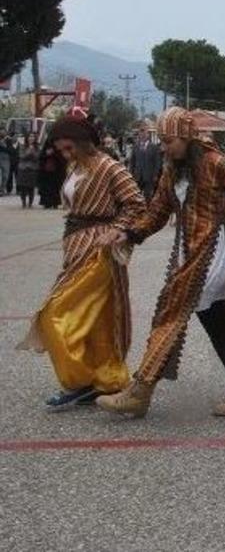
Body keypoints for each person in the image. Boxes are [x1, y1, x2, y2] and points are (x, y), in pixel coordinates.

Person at [96, 107, 225, 419]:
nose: (164, 147)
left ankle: (140, 391)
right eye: (161, 141)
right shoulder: (171, 169)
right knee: (212, 319)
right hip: (188, 253)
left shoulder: (215, 163)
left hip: (214, 253)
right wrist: (128, 233)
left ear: (186, 137)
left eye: (169, 141)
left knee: (171, 313)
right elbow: (157, 212)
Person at [17, 113, 146, 409]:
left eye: (69, 148)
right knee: (97, 320)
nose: (65, 154)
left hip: (99, 253)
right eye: (61, 149)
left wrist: (116, 230)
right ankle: (105, 381)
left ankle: (79, 380)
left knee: (54, 314)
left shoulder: (110, 167)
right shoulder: (74, 166)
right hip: (76, 247)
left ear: (83, 141)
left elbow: (137, 205)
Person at [128, 126, 162, 201]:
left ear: (148, 134)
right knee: (137, 197)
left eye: (144, 133)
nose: (142, 135)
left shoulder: (154, 147)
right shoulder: (135, 147)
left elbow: (157, 162)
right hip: (137, 176)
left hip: (149, 177)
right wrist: (131, 174)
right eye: (141, 133)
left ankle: (148, 207)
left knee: (148, 197)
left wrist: (156, 175)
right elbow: (132, 162)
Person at [37, 141, 65, 209]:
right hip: (45, 172)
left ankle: (55, 203)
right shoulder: (44, 150)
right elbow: (40, 158)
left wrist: (54, 154)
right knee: (46, 188)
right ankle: (46, 203)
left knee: (55, 189)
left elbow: (61, 159)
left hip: (55, 172)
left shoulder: (58, 150)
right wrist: (46, 154)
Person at [16, 138, 40, 209]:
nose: (31, 138)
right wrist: (29, 151)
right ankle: (23, 202)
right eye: (30, 137)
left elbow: (37, 157)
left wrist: (33, 151)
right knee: (23, 187)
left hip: (32, 169)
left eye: (33, 137)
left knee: (31, 187)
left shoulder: (37, 147)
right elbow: (22, 156)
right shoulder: (22, 146)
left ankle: (30, 203)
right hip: (23, 168)